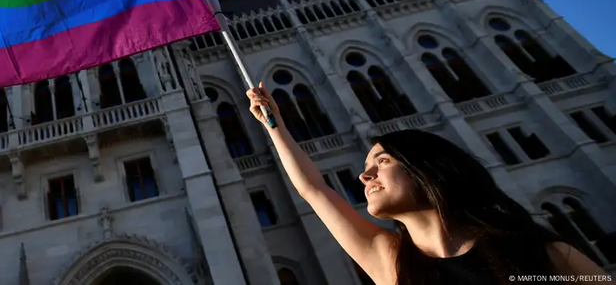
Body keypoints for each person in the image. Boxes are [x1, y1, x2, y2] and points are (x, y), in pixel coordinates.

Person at [246, 83, 611, 285]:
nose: (365, 175)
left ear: (427, 170)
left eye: (382, 161)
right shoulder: (389, 263)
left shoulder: (540, 254)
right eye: (366, 166)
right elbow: (314, 190)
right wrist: (274, 124)